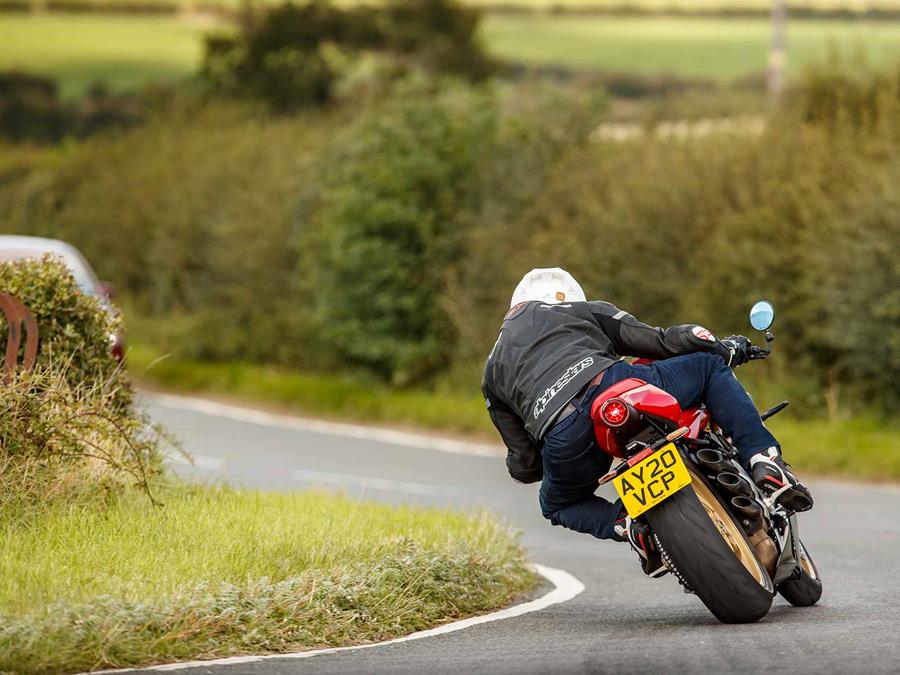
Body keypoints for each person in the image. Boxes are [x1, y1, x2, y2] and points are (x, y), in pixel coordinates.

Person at [481, 267, 813, 576]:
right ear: (569, 297)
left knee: (557, 504)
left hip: (561, 435)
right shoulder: (578, 311)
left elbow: (524, 466)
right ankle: (764, 460)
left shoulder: (492, 371)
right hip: (610, 386)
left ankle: (629, 525)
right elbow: (661, 341)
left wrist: (543, 451)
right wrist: (722, 348)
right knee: (708, 368)